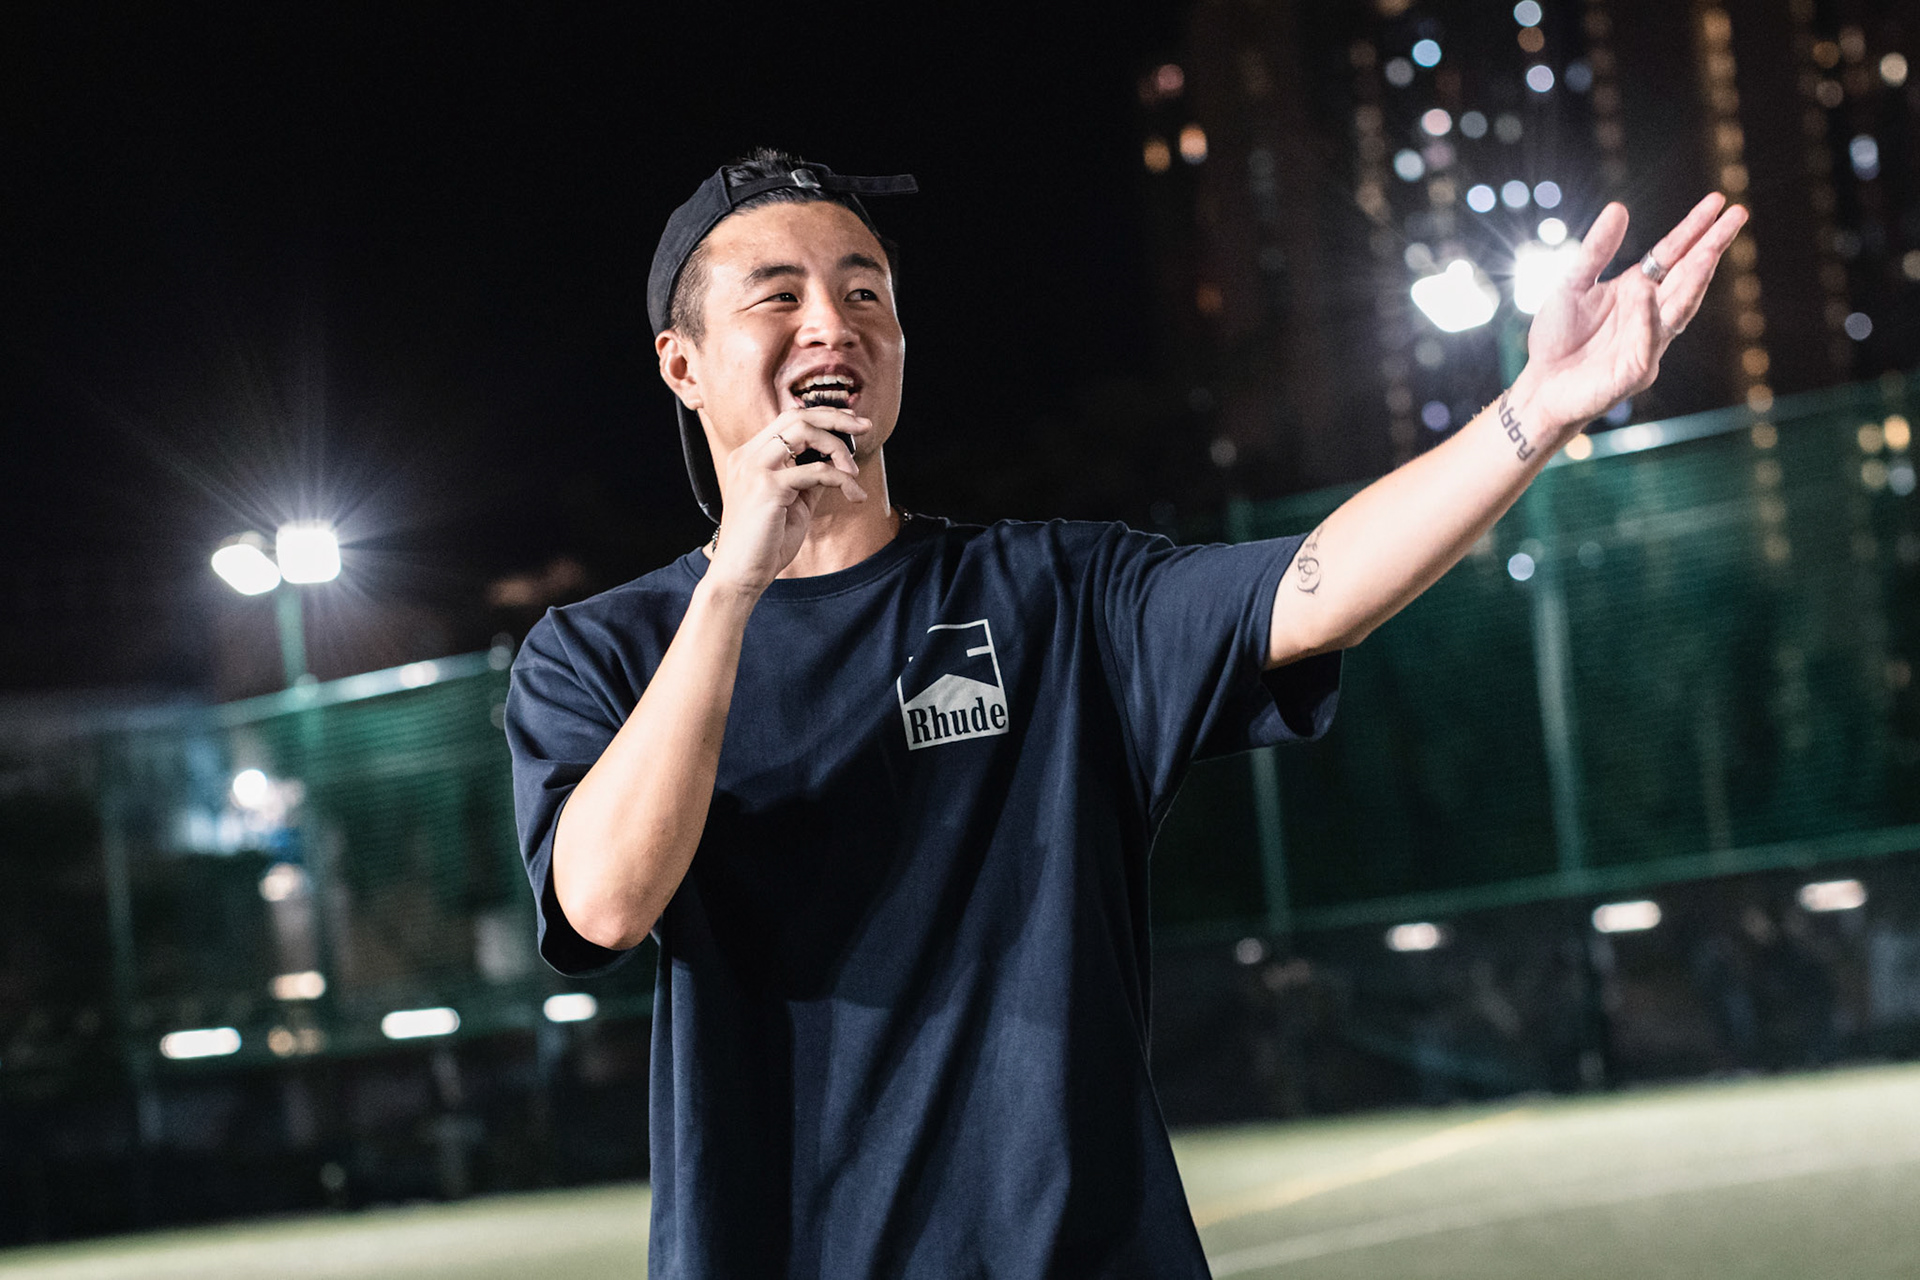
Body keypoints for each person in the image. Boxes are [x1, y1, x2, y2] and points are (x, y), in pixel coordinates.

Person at [505, 148, 1746, 1277]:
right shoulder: (599, 652)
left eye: (865, 289)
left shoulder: (1052, 591)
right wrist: (736, 583)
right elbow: (606, 902)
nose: (833, 322)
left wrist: (1538, 409)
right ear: (683, 362)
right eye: (777, 295)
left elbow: (1312, 589)